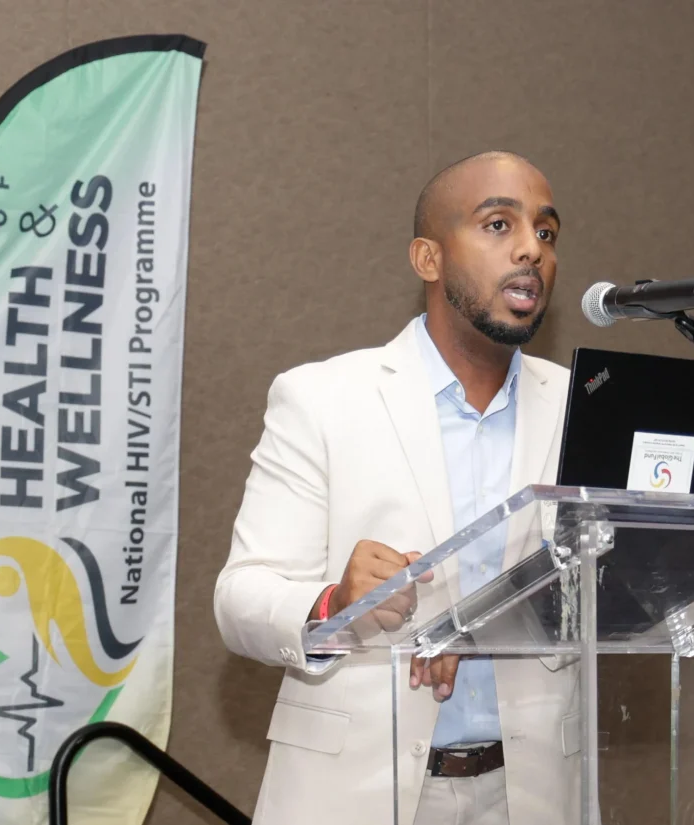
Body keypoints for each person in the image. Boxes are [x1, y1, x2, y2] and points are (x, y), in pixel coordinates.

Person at [214, 151, 580, 825]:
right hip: (355, 795)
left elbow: (608, 602)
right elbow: (239, 600)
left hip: (529, 794)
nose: (531, 248)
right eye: (499, 225)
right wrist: (338, 603)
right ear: (428, 259)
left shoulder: (579, 408)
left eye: (547, 232)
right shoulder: (322, 399)